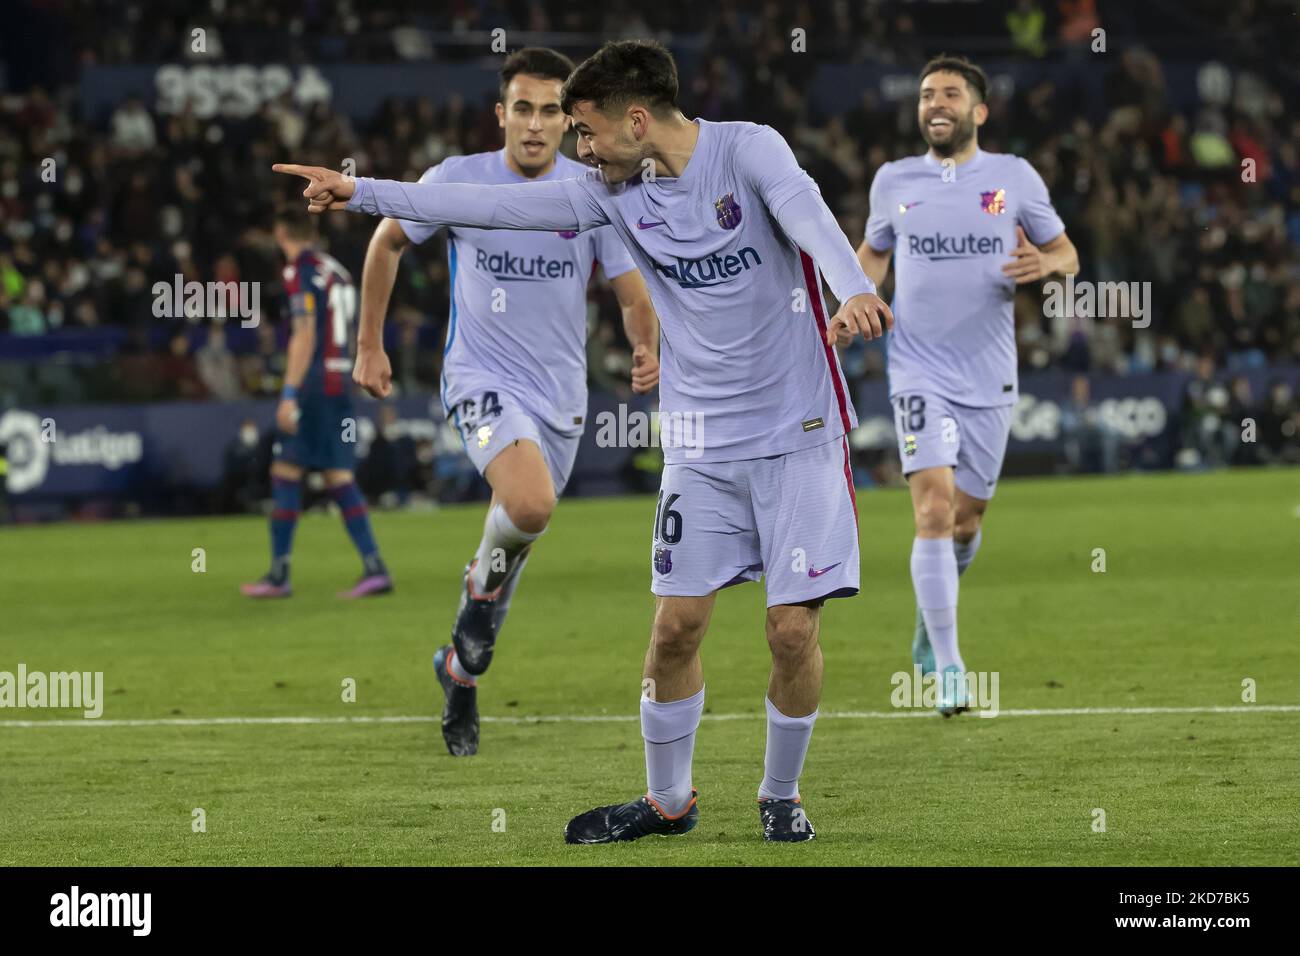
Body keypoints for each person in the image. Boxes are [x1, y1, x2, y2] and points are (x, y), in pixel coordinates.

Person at [274, 38, 893, 844]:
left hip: (798, 427)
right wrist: (358, 191)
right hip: (699, 441)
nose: (576, 148)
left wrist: (855, 291)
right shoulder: (609, 193)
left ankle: (780, 793)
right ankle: (669, 802)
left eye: (586, 131)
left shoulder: (749, 150)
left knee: (791, 630)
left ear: (637, 119)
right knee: (674, 628)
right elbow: (488, 206)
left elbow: (810, 219)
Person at [357, 47, 660, 757]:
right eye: (521, 108)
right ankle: (477, 607)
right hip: (481, 378)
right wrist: (369, 343)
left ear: (570, 118)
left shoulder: (592, 193)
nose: (534, 124)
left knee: (517, 536)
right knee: (529, 506)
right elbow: (388, 240)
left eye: (550, 110)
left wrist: (644, 345)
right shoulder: (459, 179)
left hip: (562, 399)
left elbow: (630, 289)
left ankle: (460, 670)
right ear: (501, 114)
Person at [857, 54, 1079, 714]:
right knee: (931, 509)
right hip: (918, 368)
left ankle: (930, 627)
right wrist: (853, 297)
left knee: (965, 520)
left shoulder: (1012, 177)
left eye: (950, 93)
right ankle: (951, 668)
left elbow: (1068, 255)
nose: (936, 102)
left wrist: (1046, 262)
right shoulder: (893, 180)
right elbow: (873, 255)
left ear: (978, 111)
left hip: (988, 374)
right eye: (927, 94)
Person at [240, 207, 393, 600]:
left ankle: (279, 574)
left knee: (286, 469)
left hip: (314, 385)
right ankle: (374, 567)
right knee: (335, 475)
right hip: (342, 381)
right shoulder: (337, 271)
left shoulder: (299, 272)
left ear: (280, 233)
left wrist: (289, 393)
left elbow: (304, 333)